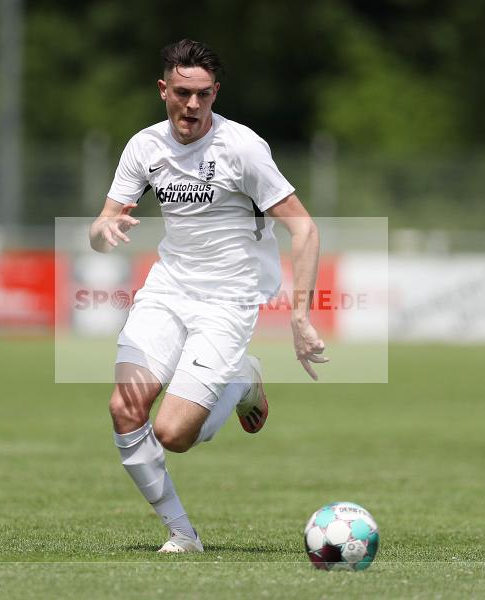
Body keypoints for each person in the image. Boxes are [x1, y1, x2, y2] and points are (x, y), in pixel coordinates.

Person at [88, 38, 328, 553]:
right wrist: (101, 231)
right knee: (125, 409)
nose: (191, 106)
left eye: (203, 95)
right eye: (181, 93)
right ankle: (182, 534)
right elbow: (104, 221)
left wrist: (300, 316)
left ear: (215, 92)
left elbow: (304, 229)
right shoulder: (144, 147)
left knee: (173, 434)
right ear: (163, 90)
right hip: (167, 290)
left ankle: (243, 378)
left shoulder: (242, 148)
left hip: (227, 301)